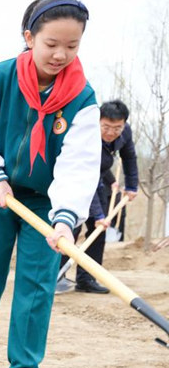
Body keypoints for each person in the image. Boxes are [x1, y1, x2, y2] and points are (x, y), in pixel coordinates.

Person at [0, 0, 100, 368]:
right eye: (52, 43)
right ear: (29, 38)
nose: (61, 54)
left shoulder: (82, 98)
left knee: (37, 285)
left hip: (45, 203)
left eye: (72, 46)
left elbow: (79, 163)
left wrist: (65, 219)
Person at [55, 99, 139, 294]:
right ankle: (56, 275)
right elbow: (85, 182)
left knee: (98, 231)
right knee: (71, 227)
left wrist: (132, 185)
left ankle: (86, 279)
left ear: (124, 124)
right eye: (106, 127)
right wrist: (98, 215)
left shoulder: (125, 132)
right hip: (75, 180)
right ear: (98, 121)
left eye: (116, 128)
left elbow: (129, 157)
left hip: (97, 180)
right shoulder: (86, 134)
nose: (111, 133)